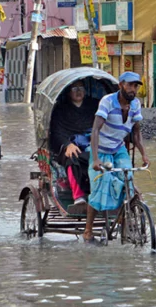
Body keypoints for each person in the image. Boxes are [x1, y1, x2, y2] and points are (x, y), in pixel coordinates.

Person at [83, 71, 150, 242]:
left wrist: (144, 154)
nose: (132, 89)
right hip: (102, 149)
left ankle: (124, 215)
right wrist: (96, 158)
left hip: (119, 148)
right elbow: (96, 130)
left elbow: (136, 133)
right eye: (129, 85)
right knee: (101, 184)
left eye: (135, 86)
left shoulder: (135, 105)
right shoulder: (107, 102)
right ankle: (88, 230)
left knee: (127, 178)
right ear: (121, 85)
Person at [49, 80, 100, 214]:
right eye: (75, 88)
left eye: (81, 88)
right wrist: (67, 145)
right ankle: (78, 196)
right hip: (68, 145)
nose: (78, 91)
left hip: (91, 143)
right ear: (68, 92)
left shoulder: (94, 105)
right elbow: (56, 132)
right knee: (72, 158)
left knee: (104, 158)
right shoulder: (60, 109)